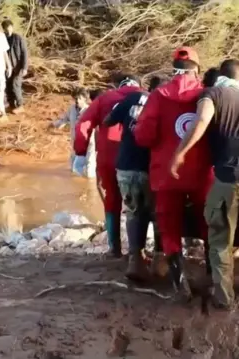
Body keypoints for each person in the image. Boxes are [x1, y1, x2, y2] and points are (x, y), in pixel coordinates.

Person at [169, 67, 239, 310]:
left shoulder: (213, 94)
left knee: (220, 237)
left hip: (228, 179)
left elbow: (202, 119)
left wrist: (179, 153)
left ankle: (224, 297)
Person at [134, 47, 213, 299]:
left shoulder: (158, 96)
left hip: (166, 172)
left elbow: (144, 137)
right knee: (210, 221)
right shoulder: (207, 95)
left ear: (173, 69)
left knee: (169, 227)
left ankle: (180, 282)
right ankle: (212, 276)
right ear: (197, 69)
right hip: (202, 171)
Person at [104, 76, 167, 281]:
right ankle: (159, 260)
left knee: (133, 212)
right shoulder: (168, 104)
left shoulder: (133, 98)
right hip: (153, 168)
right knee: (159, 214)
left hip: (126, 166)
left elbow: (107, 121)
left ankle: (135, 260)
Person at [74, 74, 142, 258]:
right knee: (138, 205)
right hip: (138, 160)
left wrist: (80, 151)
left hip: (109, 160)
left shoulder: (105, 98)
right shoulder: (147, 96)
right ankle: (138, 252)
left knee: (112, 200)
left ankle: (115, 248)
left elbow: (84, 124)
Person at [51, 87, 97, 178]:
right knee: (73, 169)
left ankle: (91, 187)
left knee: (89, 170)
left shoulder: (90, 110)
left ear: (84, 98)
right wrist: (54, 125)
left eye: (79, 98)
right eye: (75, 98)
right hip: (75, 143)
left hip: (89, 143)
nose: (77, 101)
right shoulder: (71, 109)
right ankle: (81, 190)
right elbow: (64, 120)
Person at [1, 19, 28, 114]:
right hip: (7, 67)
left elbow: (24, 53)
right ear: (3, 29)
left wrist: (25, 67)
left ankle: (20, 105)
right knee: (8, 86)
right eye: (6, 28)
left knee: (15, 85)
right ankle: (11, 105)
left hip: (18, 67)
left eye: (9, 28)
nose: (8, 30)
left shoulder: (18, 38)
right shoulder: (2, 38)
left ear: (12, 27)